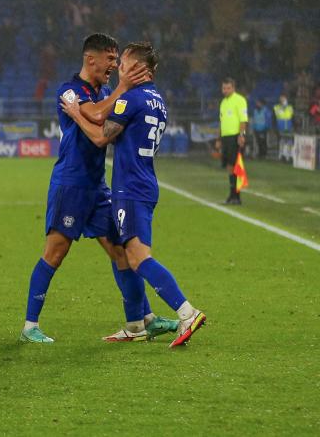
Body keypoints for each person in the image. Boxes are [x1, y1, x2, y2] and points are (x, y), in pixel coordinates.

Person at [20, 33, 178, 344]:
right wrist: (123, 88)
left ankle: (141, 321)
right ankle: (29, 326)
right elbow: (92, 116)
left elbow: (107, 118)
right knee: (55, 252)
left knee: (120, 250)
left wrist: (120, 93)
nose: (115, 65)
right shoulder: (68, 91)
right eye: (110, 59)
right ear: (91, 59)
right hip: (71, 184)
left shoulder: (105, 91)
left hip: (98, 187)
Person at [67, 41, 206, 348]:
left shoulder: (130, 99)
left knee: (139, 258)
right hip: (144, 182)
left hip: (130, 188)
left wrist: (76, 114)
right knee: (126, 255)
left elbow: (101, 137)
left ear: (137, 68)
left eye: (124, 63)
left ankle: (187, 311)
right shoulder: (158, 101)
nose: (119, 68)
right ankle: (135, 325)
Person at [218, 78, 248, 205]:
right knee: (229, 166)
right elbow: (221, 122)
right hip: (225, 138)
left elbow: (243, 120)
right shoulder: (223, 102)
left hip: (235, 137)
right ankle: (232, 195)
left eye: (228, 88)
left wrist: (241, 135)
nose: (225, 90)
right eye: (224, 88)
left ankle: (237, 196)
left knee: (235, 165)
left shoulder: (240, 100)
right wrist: (219, 139)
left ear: (233, 88)